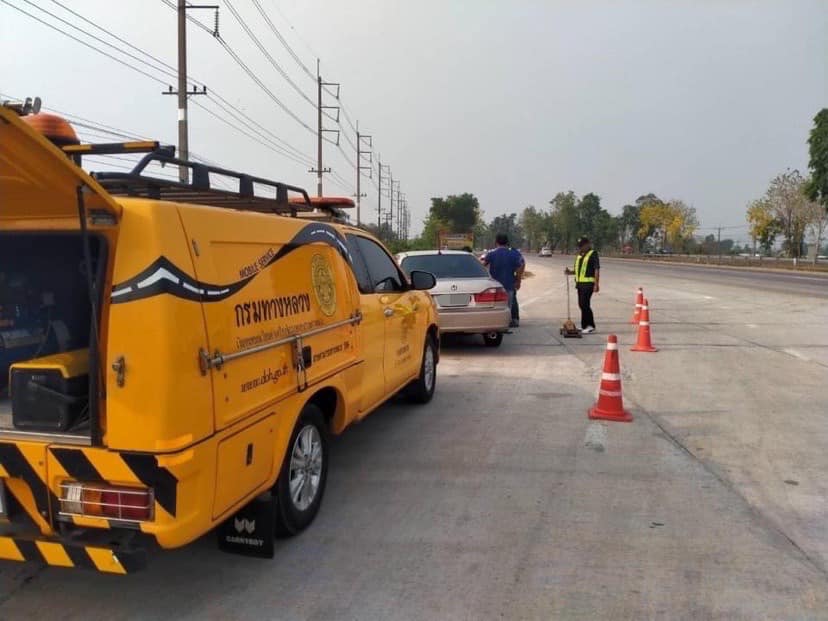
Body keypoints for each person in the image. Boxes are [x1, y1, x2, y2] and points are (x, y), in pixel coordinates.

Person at [483, 233, 524, 328]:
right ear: (507, 242)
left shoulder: (491, 254)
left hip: (495, 287)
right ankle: (507, 323)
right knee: (508, 306)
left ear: (496, 242)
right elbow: (520, 266)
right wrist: (518, 281)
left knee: (494, 306)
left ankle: (495, 323)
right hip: (509, 285)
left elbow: (482, 265)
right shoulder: (514, 254)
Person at [564, 236, 600, 333]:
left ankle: (590, 326)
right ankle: (584, 326)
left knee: (584, 304)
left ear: (588, 244)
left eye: (582, 245)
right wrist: (569, 272)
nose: (580, 248)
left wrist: (596, 284)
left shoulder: (593, 254)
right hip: (580, 284)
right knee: (581, 305)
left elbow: (596, 269)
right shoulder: (579, 255)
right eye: (579, 246)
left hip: (588, 284)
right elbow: (577, 271)